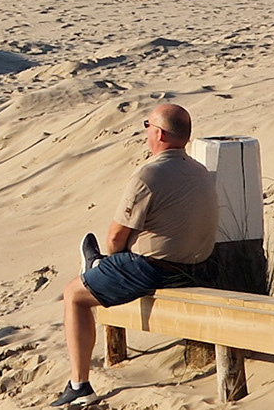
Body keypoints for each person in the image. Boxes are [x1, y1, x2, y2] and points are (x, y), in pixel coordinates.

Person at [54, 104, 216, 408]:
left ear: (159, 133)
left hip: (154, 269)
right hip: (198, 267)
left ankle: (79, 385)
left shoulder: (149, 173)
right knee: (104, 268)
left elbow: (116, 235)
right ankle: (99, 265)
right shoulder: (200, 170)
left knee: (73, 294)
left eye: (147, 125)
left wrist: (115, 260)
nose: (145, 131)